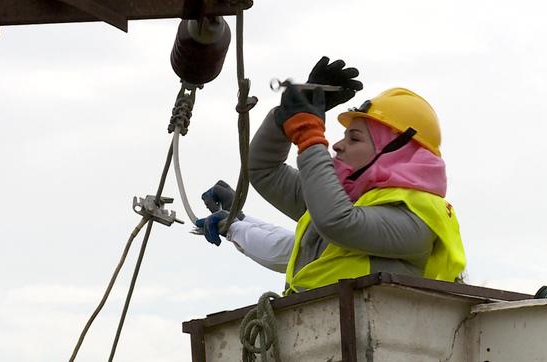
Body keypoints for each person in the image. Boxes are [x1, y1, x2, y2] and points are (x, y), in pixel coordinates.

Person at [196, 57, 466, 295]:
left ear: (394, 151)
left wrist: (309, 135)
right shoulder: (348, 199)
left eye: (354, 138)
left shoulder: (416, 219)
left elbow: (337, 221)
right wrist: (286, 117)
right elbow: (264, 170)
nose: (338, 145)